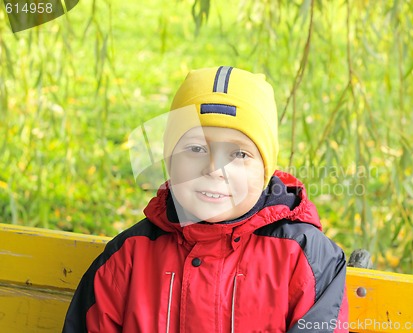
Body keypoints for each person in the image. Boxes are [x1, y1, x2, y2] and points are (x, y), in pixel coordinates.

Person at [62, 66, 349, 333]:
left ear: (265, 170)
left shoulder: (306, 260)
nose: (214, 169)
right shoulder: (127, 259)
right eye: (196, 148)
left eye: (239, 154)